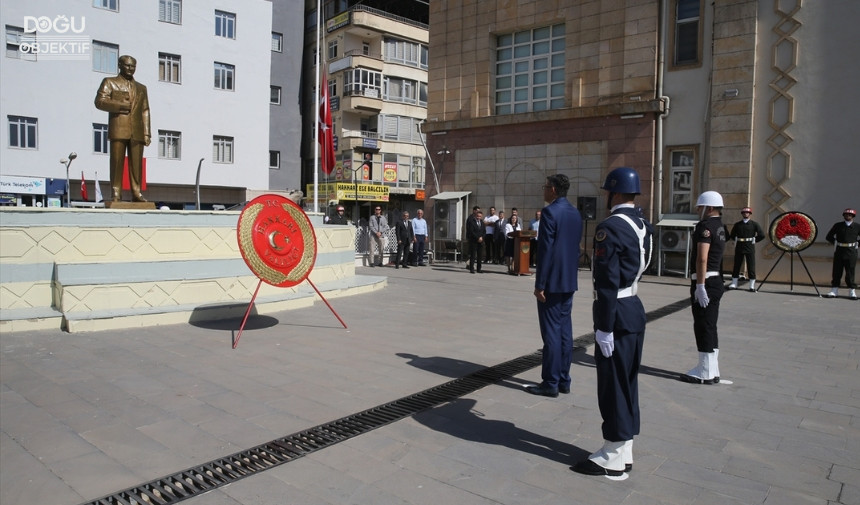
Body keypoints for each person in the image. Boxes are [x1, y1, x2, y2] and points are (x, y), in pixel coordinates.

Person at [572, 167, 653, 480]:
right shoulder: (643, 224)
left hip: (616, 311)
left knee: (613, 384)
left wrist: (603, 327)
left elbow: (606, 281)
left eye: (608, 191)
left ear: (615, 193)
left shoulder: (610, 227)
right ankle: (625, 446)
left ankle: (613, 454)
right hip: (633, 306)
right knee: (627, 381)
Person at [529, 174, 582, 397]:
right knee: (565, 333)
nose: (543, 190)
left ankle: (550, 382)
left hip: (552, 282)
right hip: (569, 280)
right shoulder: (575, 212)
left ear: (552, 189)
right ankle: (563, 379)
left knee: (551, 333)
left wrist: (540, 283)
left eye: (545, 186)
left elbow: (546, 250)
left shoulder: (551, 212)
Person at [681, 191, 727, 385]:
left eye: (700, 207)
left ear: (709, 208)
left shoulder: (705, 227)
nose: (698, 210)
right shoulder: (721, 227)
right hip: (716, 280)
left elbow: (702, 258)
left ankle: (705, 372)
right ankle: (712, 368)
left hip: (705, 281)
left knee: (703, 326)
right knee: (710, 324)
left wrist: (700, 285)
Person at [94, 55, 151, 202]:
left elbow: (145, 110)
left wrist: (147, 133)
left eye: (133, 66)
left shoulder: (141, 88)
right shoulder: (110, 83)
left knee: (136, 165)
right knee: (117, 163)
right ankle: (116, 193)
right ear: (120, 65)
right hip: (119, 128)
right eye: (127, 66)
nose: (130, 69)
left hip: (137, 131)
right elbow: (99, 101)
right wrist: (119, 106)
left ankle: (136, 192)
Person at [824, 208, 860, 299]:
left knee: (850, 272)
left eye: (850, 215)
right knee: (837, 271)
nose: (848, 216)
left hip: (851, 251)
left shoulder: (857, 226)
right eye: (846, 214)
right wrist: (835, 242)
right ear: (843, 216)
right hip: (839, 250)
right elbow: (829, 236)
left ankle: (852, 291)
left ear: (853, 216)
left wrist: (857, 244)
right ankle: (834, 290)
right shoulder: (838, 225)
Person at [728, 207, 765, 290]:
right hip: (740, 246)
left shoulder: (754, 224)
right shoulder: (737, 224)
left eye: (747, 213)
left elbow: (762, 235)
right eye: (744, 213)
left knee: (751, 265)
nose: (745, 214)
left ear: (750, 214)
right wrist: (736, 239)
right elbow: (732, 235)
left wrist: (755, 240)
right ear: (742, 214)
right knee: (737, 265)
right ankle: (734, 283)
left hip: (749, 246)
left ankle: (751, 285)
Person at [465, 206, 484, 273]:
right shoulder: (472, 222)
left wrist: (482, 237)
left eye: (480, 216)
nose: (479, 217)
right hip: (474, 241)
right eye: (478, 216)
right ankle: (471, 268)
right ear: (476, 216)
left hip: (481, 241)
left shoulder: (482, 222)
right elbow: (471, 231)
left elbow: (484, 231)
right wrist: (477, 237)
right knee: (473, 255)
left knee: (480, 256)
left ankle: (479, 269)